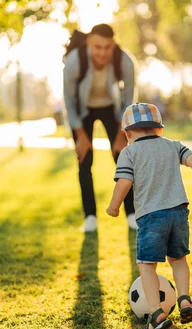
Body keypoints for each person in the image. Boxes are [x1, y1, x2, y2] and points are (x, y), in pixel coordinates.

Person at [106, 103, 192, 329]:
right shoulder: (172, 145)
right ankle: (185, 301)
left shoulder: (129, 152)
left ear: (127, 133)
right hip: (179, 213)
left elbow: (124, 183)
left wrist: (114, 207)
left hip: (151, 216)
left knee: (147, 265)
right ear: (159, 129)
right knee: (178, 260)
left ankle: (156, 314)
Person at [63, 23, 137, 233]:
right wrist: (80, 135)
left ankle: (132, 214)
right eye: (97, 47)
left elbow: (129, 98)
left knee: (123, 160)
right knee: (84, 161)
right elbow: (68, 101)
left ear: (113, 45)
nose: (102, 52)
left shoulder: (125, 60)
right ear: (89, 43)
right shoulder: (74, 61)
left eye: (107, 47)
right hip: (83, 110)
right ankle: (90, 217)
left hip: (112, 109)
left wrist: (123, 134)